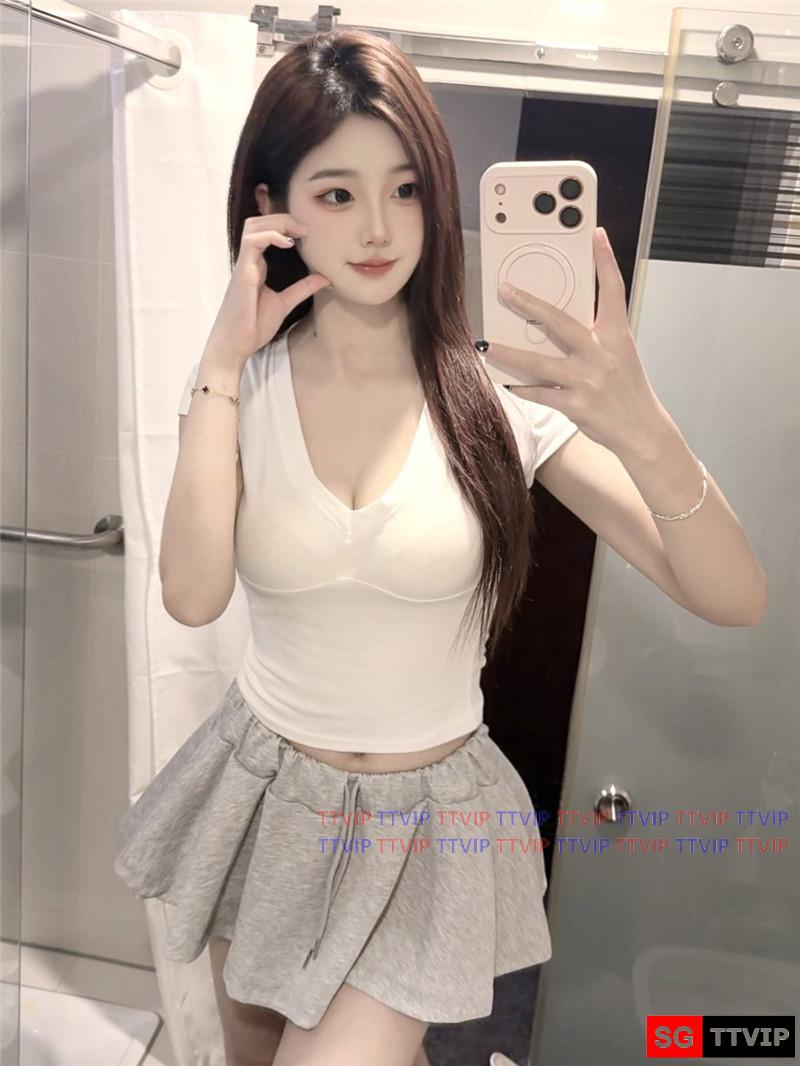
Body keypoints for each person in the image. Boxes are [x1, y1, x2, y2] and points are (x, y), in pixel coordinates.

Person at [114, 27, 766, 1066]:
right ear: (273, 208)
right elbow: (192, 597)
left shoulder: (500, 396)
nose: (379, 228)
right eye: (336, 193)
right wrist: (221, 363)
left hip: (421, 827)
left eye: (407, 188)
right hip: (268, 795)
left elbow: (732, 596)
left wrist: (639, 422)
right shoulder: (240, 388)